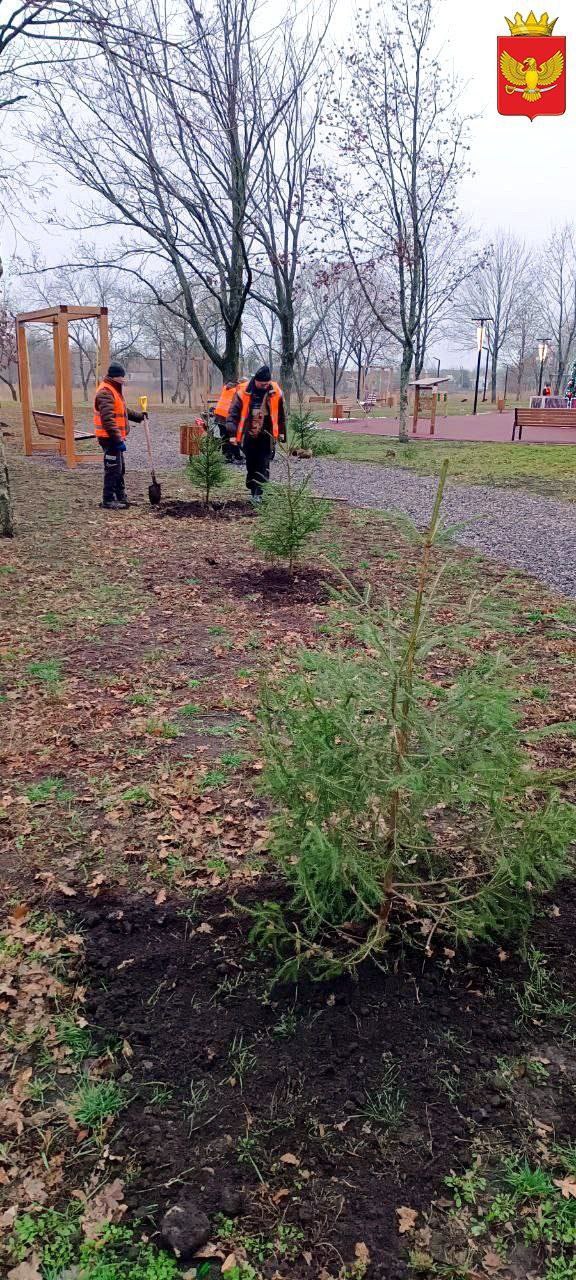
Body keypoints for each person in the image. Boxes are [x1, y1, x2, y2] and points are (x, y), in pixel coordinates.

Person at [226, 365, 286, 503]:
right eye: (262, 384)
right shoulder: (243, 392)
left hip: (266, 432)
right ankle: (253, 487)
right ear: (256, 380)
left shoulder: (276, 391)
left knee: (263, 462)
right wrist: (233, 434)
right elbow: (232, 415)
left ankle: (259, 492)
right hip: (249, 432)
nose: (265, 386)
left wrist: (282, 432)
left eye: (267, 384)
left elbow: (281, 413)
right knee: (251, 462)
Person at [93, 363, 146, 509]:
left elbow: (122, 410)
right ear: (115, 377)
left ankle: (120, 496)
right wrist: (117, 440)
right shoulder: (105, 392)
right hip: (109, 438)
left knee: (119, 468)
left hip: (114, 438)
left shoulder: (114, 390)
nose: (124, 379)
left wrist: (139, 416)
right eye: (122, 377)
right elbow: (108, 419)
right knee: (113, 468)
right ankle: (108, 499)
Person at [214, 379, 246, 464]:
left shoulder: (226, 388)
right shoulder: (237, 390)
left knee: (225, 436)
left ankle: (227, 456)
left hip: (219, 415)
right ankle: (237, 457)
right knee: (233, 436)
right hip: (227, 416)